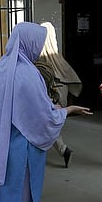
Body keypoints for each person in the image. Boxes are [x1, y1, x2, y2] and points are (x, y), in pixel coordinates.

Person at [0, 22, 91, 202]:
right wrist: (67, 110)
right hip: (22, 147)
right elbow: (42, 117)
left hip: (4, 143)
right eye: (37, 43)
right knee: (20, 200)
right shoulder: (27, 73)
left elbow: (20, 106)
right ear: (28, 43)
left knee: (5, 194)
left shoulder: (4, 66)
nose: (39, 48)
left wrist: (47, 107)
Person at [35, 22, 83, 167]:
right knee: (50, 123)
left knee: (44, 123)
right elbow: (72, 78)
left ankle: (61, 150)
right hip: (61, 92)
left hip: (49, 94)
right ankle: (63, 150)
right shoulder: (58, 58)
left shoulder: (39, 60)